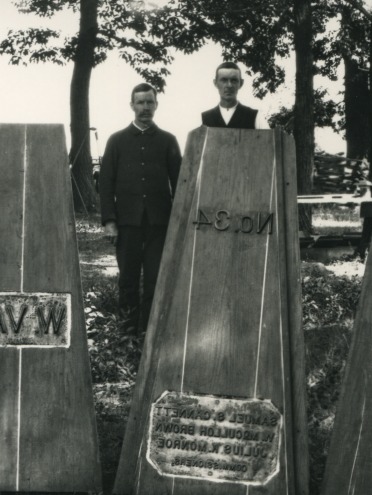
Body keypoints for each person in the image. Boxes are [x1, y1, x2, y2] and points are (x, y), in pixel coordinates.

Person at [100, 83, 182, 335]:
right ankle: (126, 335)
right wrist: (110, 221)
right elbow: (105, 183)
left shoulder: (168, 140)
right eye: (140, 102)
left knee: (156, 280)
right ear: (132, 105)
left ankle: (150, 334)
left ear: (156, 104)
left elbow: (180, 182)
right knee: (128, 280)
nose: (145, 107)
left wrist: (178, 221)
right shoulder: (117, 140)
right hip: (127, 223)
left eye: (150, 102)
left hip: (160, 223)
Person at [201, 62, 268, 129]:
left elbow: (268, 136)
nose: (229, 85)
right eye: (224, 80)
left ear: (241, 83)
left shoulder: (255, 117)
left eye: (234, 80)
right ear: (215, 83)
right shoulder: (202, 119)